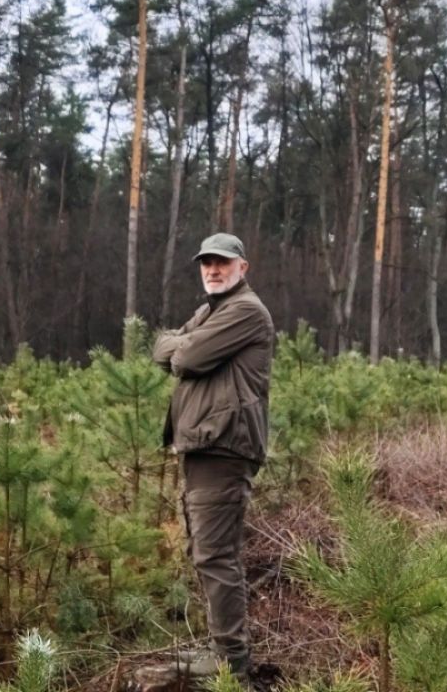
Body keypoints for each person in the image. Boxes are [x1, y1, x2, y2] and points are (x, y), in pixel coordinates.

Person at [151, 233, 274, 686]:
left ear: (243, 266)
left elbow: (187, 357)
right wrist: (177, 346)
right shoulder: (212, 310)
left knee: (215, 555)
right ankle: (221, 649)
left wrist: (181, 347)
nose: (213, 270)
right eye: (206, 263)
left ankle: (232, 664)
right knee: (206, 552)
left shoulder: (246, 310)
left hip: (224, 446)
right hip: (206, 444)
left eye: (222, 262)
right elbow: (161, 348)